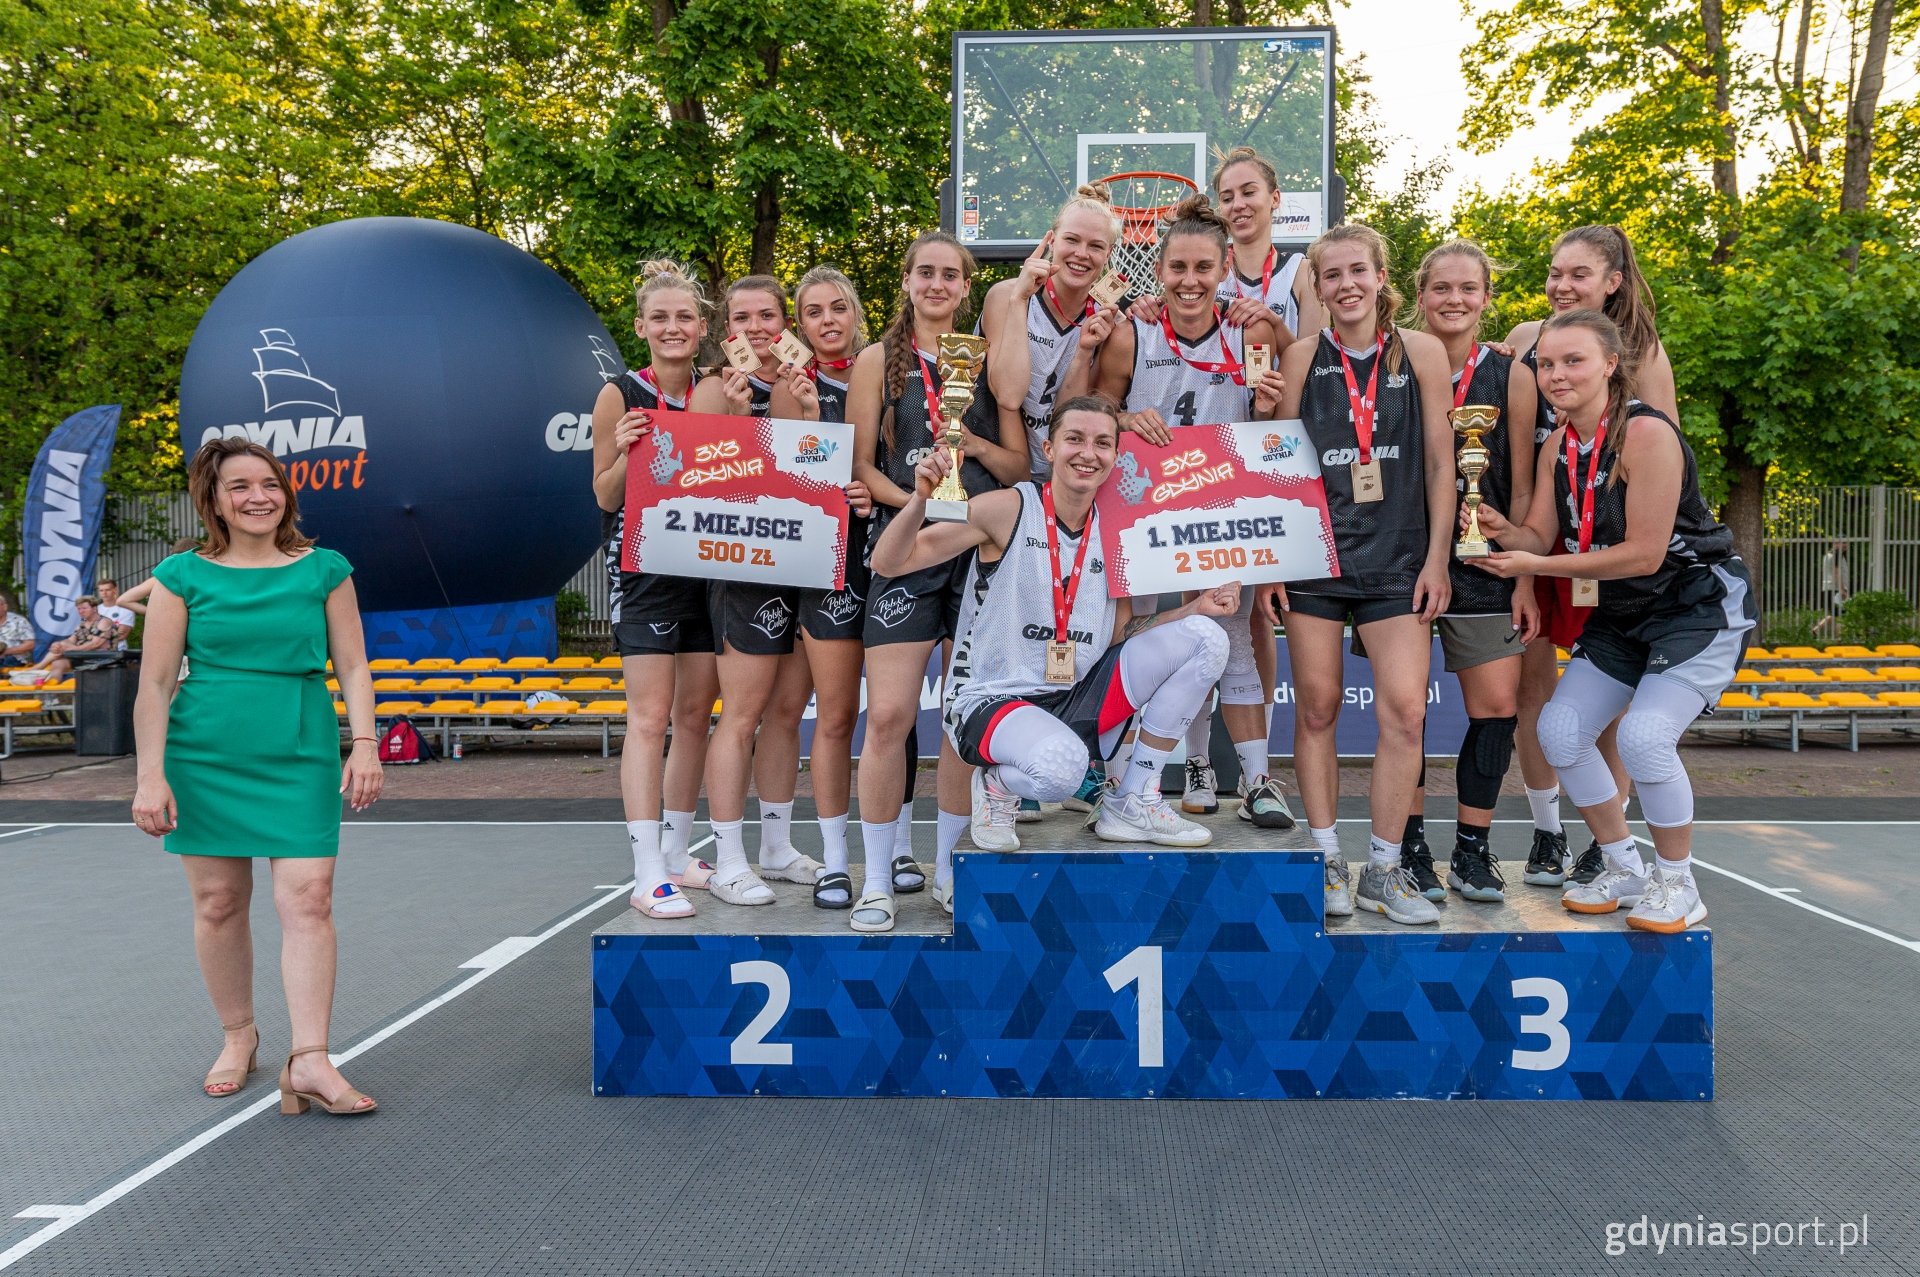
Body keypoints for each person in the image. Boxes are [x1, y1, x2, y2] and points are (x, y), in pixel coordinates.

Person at [865, 396, 1233, 930]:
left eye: (1102, 443)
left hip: (1072, 696)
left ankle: (1133, 798)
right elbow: (888, 561)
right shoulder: (1008, 507)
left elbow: (1120, 635)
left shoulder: (1119, 528)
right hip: (992, 700)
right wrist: (921, 497)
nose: (1088, 453)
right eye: (1075, 439)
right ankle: (996, 785)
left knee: (1207, 639)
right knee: (1063, 772)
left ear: (1115, 456)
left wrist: (1193, 609)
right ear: (1049, 447)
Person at [1470, 309, 1751, 932]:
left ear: (1610, 365)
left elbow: (1644, 553)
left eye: (1573, 361)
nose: (1557, 374)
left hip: (1694, 606)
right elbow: (1539, 535)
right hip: (1623, 611)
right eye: (1547, 363)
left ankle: (1678, 884)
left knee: (1644, 738)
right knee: (1561, 731)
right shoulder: (1557, 445)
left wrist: (1538, 562)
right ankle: (1625, 866)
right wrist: (1501, 530)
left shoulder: (1645, 434)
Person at [130, 437, 382, 1115]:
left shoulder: (325, 569)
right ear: (213, 500)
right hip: (204, 755)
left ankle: (311, 1060)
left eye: (269, 483)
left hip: (298, 750)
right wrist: (149, 776)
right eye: (239, 486)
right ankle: (238, 1034)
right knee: (218, 902)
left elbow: (353, 665)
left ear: (286, 493)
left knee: (310, 898)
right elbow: (154, 684)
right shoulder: (180, 576)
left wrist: (365, 744)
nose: (258, 496)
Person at [1250, 223, 1456, 927]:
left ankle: (1386, 868)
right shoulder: (1301, 355)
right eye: (1331, 275)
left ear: (1380, 276)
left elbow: (1440, 463)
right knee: (1317, 709)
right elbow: (1278, 466)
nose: (1346, 285)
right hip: (1317, 557)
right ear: (1317, 285)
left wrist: (1438, 558)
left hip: (1399, 558)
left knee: (1406, 711)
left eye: (1357, 271)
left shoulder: (1421, 352)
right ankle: (1327, 857)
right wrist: (1273, 562)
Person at [1092, 194, 1296, 829]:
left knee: (1231, 636)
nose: (1189, 280)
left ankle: (1257, 779)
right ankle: (1152, 774)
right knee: (1145, 636)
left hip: (1221, 508)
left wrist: (1266, 408)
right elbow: (1097, 409)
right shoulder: (1132, 331)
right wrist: (1128, 417)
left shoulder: (1250, 331)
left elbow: (1273, 426)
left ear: (1225, 266)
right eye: (1177, 267)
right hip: (1145, 510)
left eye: (1203, 267)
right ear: (1158, 269)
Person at [849, 230, 1026, 920]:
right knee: (889, 716)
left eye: (951, 275)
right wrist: (919, 499)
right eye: (926, 272)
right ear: (907, 280)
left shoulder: (985, 358)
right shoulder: (877, 360)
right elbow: (860, 466)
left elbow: (1016, 466)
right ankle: (876, 878)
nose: (937, 284)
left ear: (966, 287)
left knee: (960, 718)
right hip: (907, 548)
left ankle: (951, 868)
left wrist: (971, 447)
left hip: (976, 553)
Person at [1504, 226, 1677, 890]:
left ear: (1613, 281)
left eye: (1579, 274)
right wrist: (1517, 544)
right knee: (1534, 693)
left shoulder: (1642, 352)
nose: (1562, 284)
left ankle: (1610, 842)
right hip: (1543, 533)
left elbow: (1665, 456)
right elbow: (1517, 452)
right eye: (1555, 272)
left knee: (1610, 701)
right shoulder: (1525, 338)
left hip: (1608, 545)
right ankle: (1547, 831)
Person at [1385, 240, 1539, 903]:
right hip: (1402, 559)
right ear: (1419, 295)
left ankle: (1473, 849)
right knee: (1405, 711)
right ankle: (1410, 845)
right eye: (1441, 287)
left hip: (1484, 559)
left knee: (1497, 707)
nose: (1454, 299)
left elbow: (1524, 484)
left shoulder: (1511, 374)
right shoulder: (1389, 362)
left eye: (1468, 288)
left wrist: (1525, 572)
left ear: (1486, 297)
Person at [692, 275, 835, 907]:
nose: (756, 327)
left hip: (802, 562)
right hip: (744, 565)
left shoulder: (801, 382)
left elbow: (811, 478)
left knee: (785, 713)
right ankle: (728, 859)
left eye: (767, 316)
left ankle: (776, 847)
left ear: (785, 324)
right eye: (743, 317)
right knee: (741, 715)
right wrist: (736, 414)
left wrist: (808, 414)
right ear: (727, 329)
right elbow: (700, 484)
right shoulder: (713, 388)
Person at [590, 261, 720, 919]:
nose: (673, 327)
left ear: (701, 327)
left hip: (711, 567)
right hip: (643, 572)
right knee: (649, 718)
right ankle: (645, 873)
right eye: (659, 317)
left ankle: (675, 851)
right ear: (640, 327)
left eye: (684, 317)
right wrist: (623, 451)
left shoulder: (716, 390)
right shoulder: (619, 394)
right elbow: (604, 496)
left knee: (696, 716)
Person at [772, 267, 883, 910]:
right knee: (837, 716)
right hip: (829, 566)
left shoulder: (889, 370)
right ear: (801, 325)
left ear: (856, 313)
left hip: (892, 554)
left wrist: (876, 488)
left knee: (892, 718)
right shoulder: (793, 387)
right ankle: (836, 859)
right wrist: (813, 419)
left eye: (837, 308)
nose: (827, 320)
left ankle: (893, 853)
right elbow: (789, 486)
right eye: (813, 312)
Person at [28, 595, 115, 681]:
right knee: (57, 662)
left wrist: (74, 648)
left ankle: (39, 666)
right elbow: (71, 639)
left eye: (84, 608)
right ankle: (53, 687)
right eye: (79, 609)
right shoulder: (81, 624)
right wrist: (58, 644)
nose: (81, 611)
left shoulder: (104, 621)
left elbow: (95, 644)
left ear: (94, 609)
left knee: (63, 648)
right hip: (82, 656)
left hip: (101, 658)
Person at [0, 594, 36, 667]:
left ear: (4, 607)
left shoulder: (19, 621)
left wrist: (6, 651)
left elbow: (30, 644)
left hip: (13, 658)